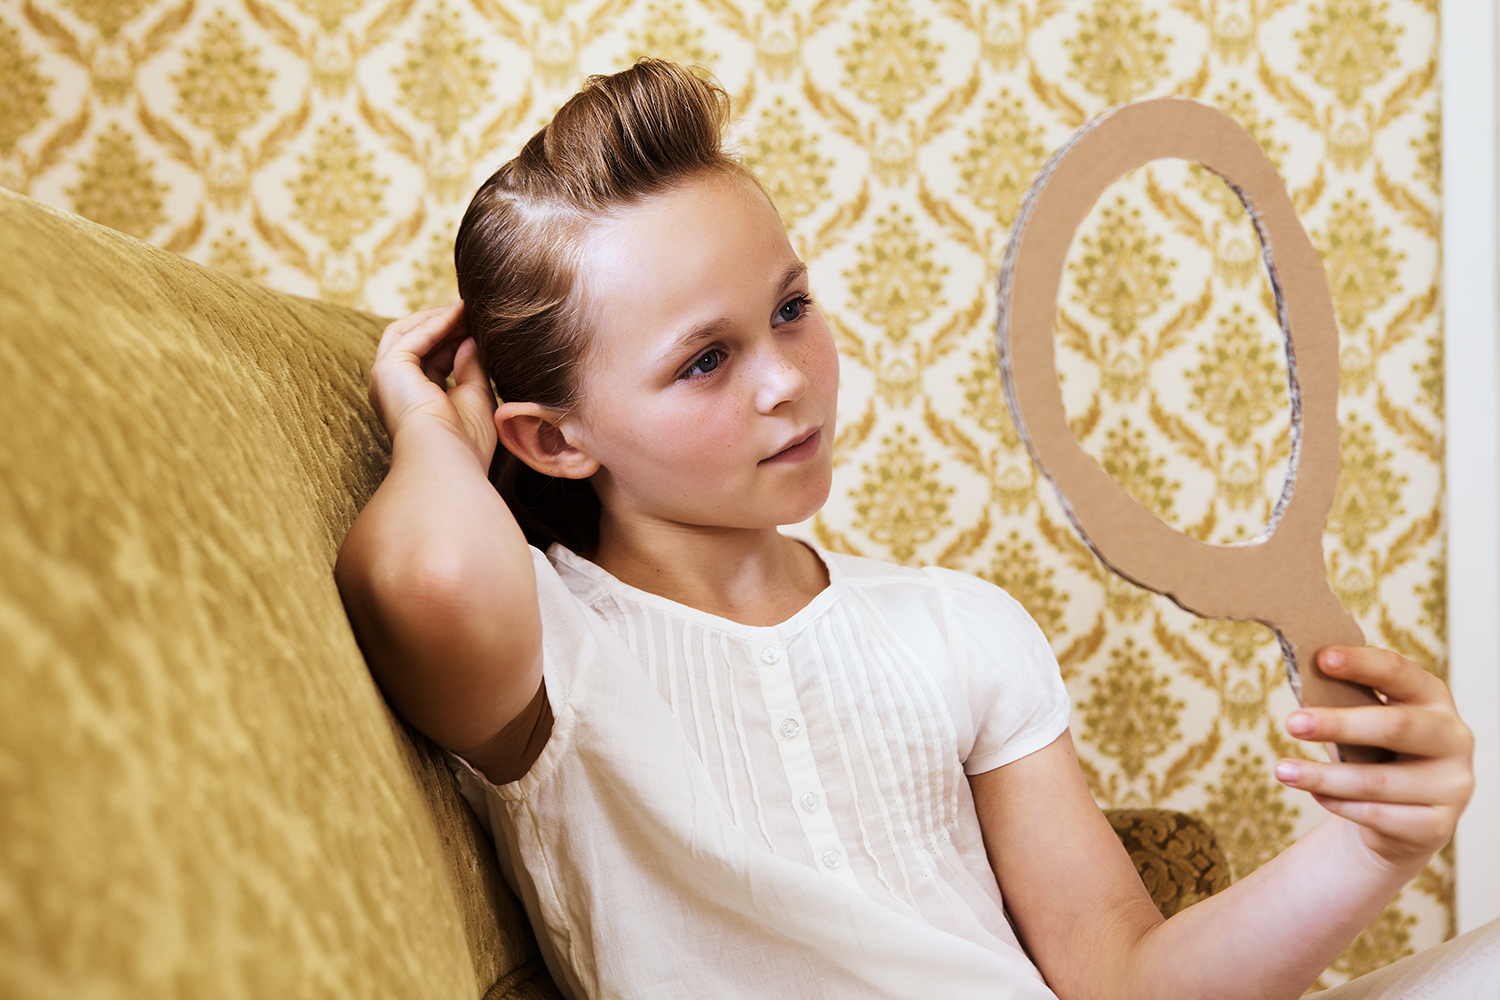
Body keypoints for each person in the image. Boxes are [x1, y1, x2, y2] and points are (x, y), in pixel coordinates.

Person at [335, 58, 1490, 1000]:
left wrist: (1369, 848)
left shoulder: (960, 627)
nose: (788, 379)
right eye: (705, 359)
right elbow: (428, 578)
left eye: (792, 308)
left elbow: (1126, 979)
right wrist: (430, 428)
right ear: (552, 440)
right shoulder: (557, 652)